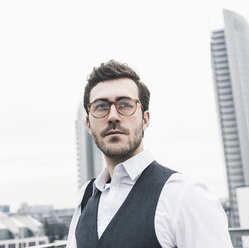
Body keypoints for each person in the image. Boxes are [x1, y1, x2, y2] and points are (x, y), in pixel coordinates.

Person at [67, 60, 233, 248]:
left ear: (145, 119)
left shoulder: (184, 196)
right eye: (101, 106)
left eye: (125, 104)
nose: (113, 116)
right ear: (88, 125)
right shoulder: (86, 197)